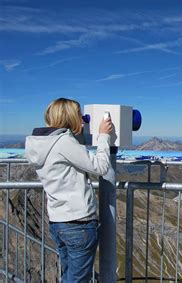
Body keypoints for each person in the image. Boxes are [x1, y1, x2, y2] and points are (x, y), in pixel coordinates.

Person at [25, 98, 113, 283]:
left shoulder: (43, 144)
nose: (82, 120)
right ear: (70, 117)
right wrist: (104, 136)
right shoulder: (63, 143)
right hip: (78, 223)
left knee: (68, 276)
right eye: (79, 116)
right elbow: (100, 166)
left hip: (59, 222)